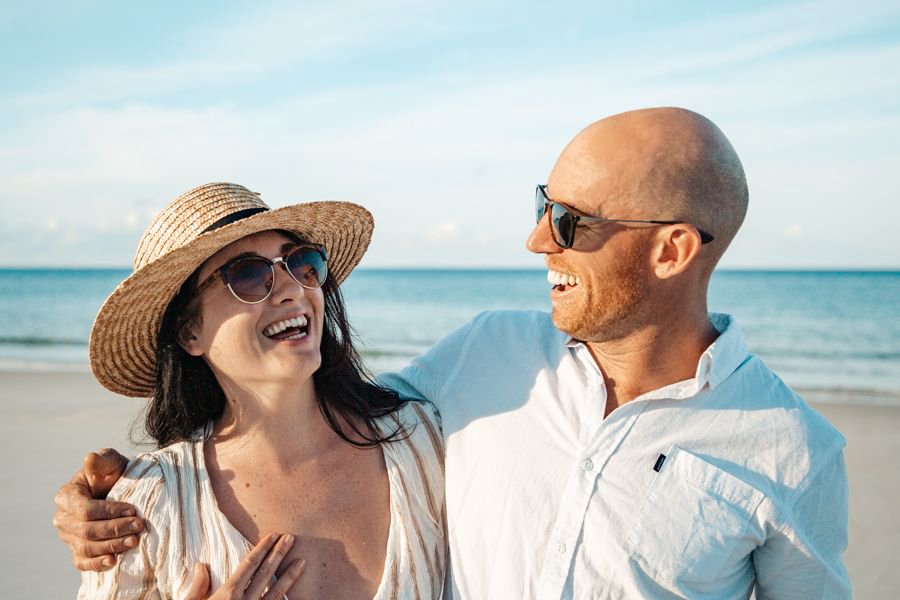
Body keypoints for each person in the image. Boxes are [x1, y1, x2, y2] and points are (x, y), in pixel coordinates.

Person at [56, 108, 849, 598]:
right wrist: (97, 499)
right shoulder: (487, 360)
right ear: (187, 334)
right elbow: (308, 413)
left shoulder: (792, 454)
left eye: (569, 221)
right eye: (249, 274)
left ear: (672, 250)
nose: (537, 240)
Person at [64, 183, 445, 599]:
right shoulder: (150, 503)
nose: (292, 289)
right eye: (248, 274)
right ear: (190, 332)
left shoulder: (422, 444)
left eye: (301, 264)